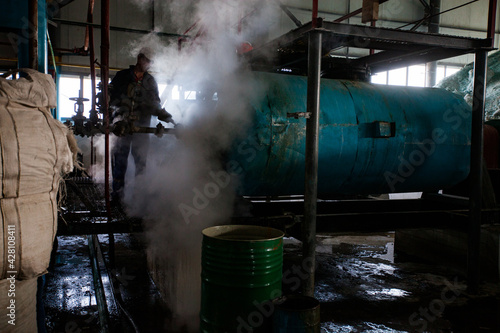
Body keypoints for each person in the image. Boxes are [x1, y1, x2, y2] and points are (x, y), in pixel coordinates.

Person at [109, 47, 173, 205]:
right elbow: (109, 98)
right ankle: (117, 197)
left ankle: (139, 197)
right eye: (146, 60)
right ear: (139, 58)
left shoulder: (150, 81)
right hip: (122, 127)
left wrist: (166, 116)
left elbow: (155, 104)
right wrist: (114, 115)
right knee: (120, 162)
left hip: (141, 128)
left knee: (140, 162)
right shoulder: (122, 76)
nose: (147, 64)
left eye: (150, 62)